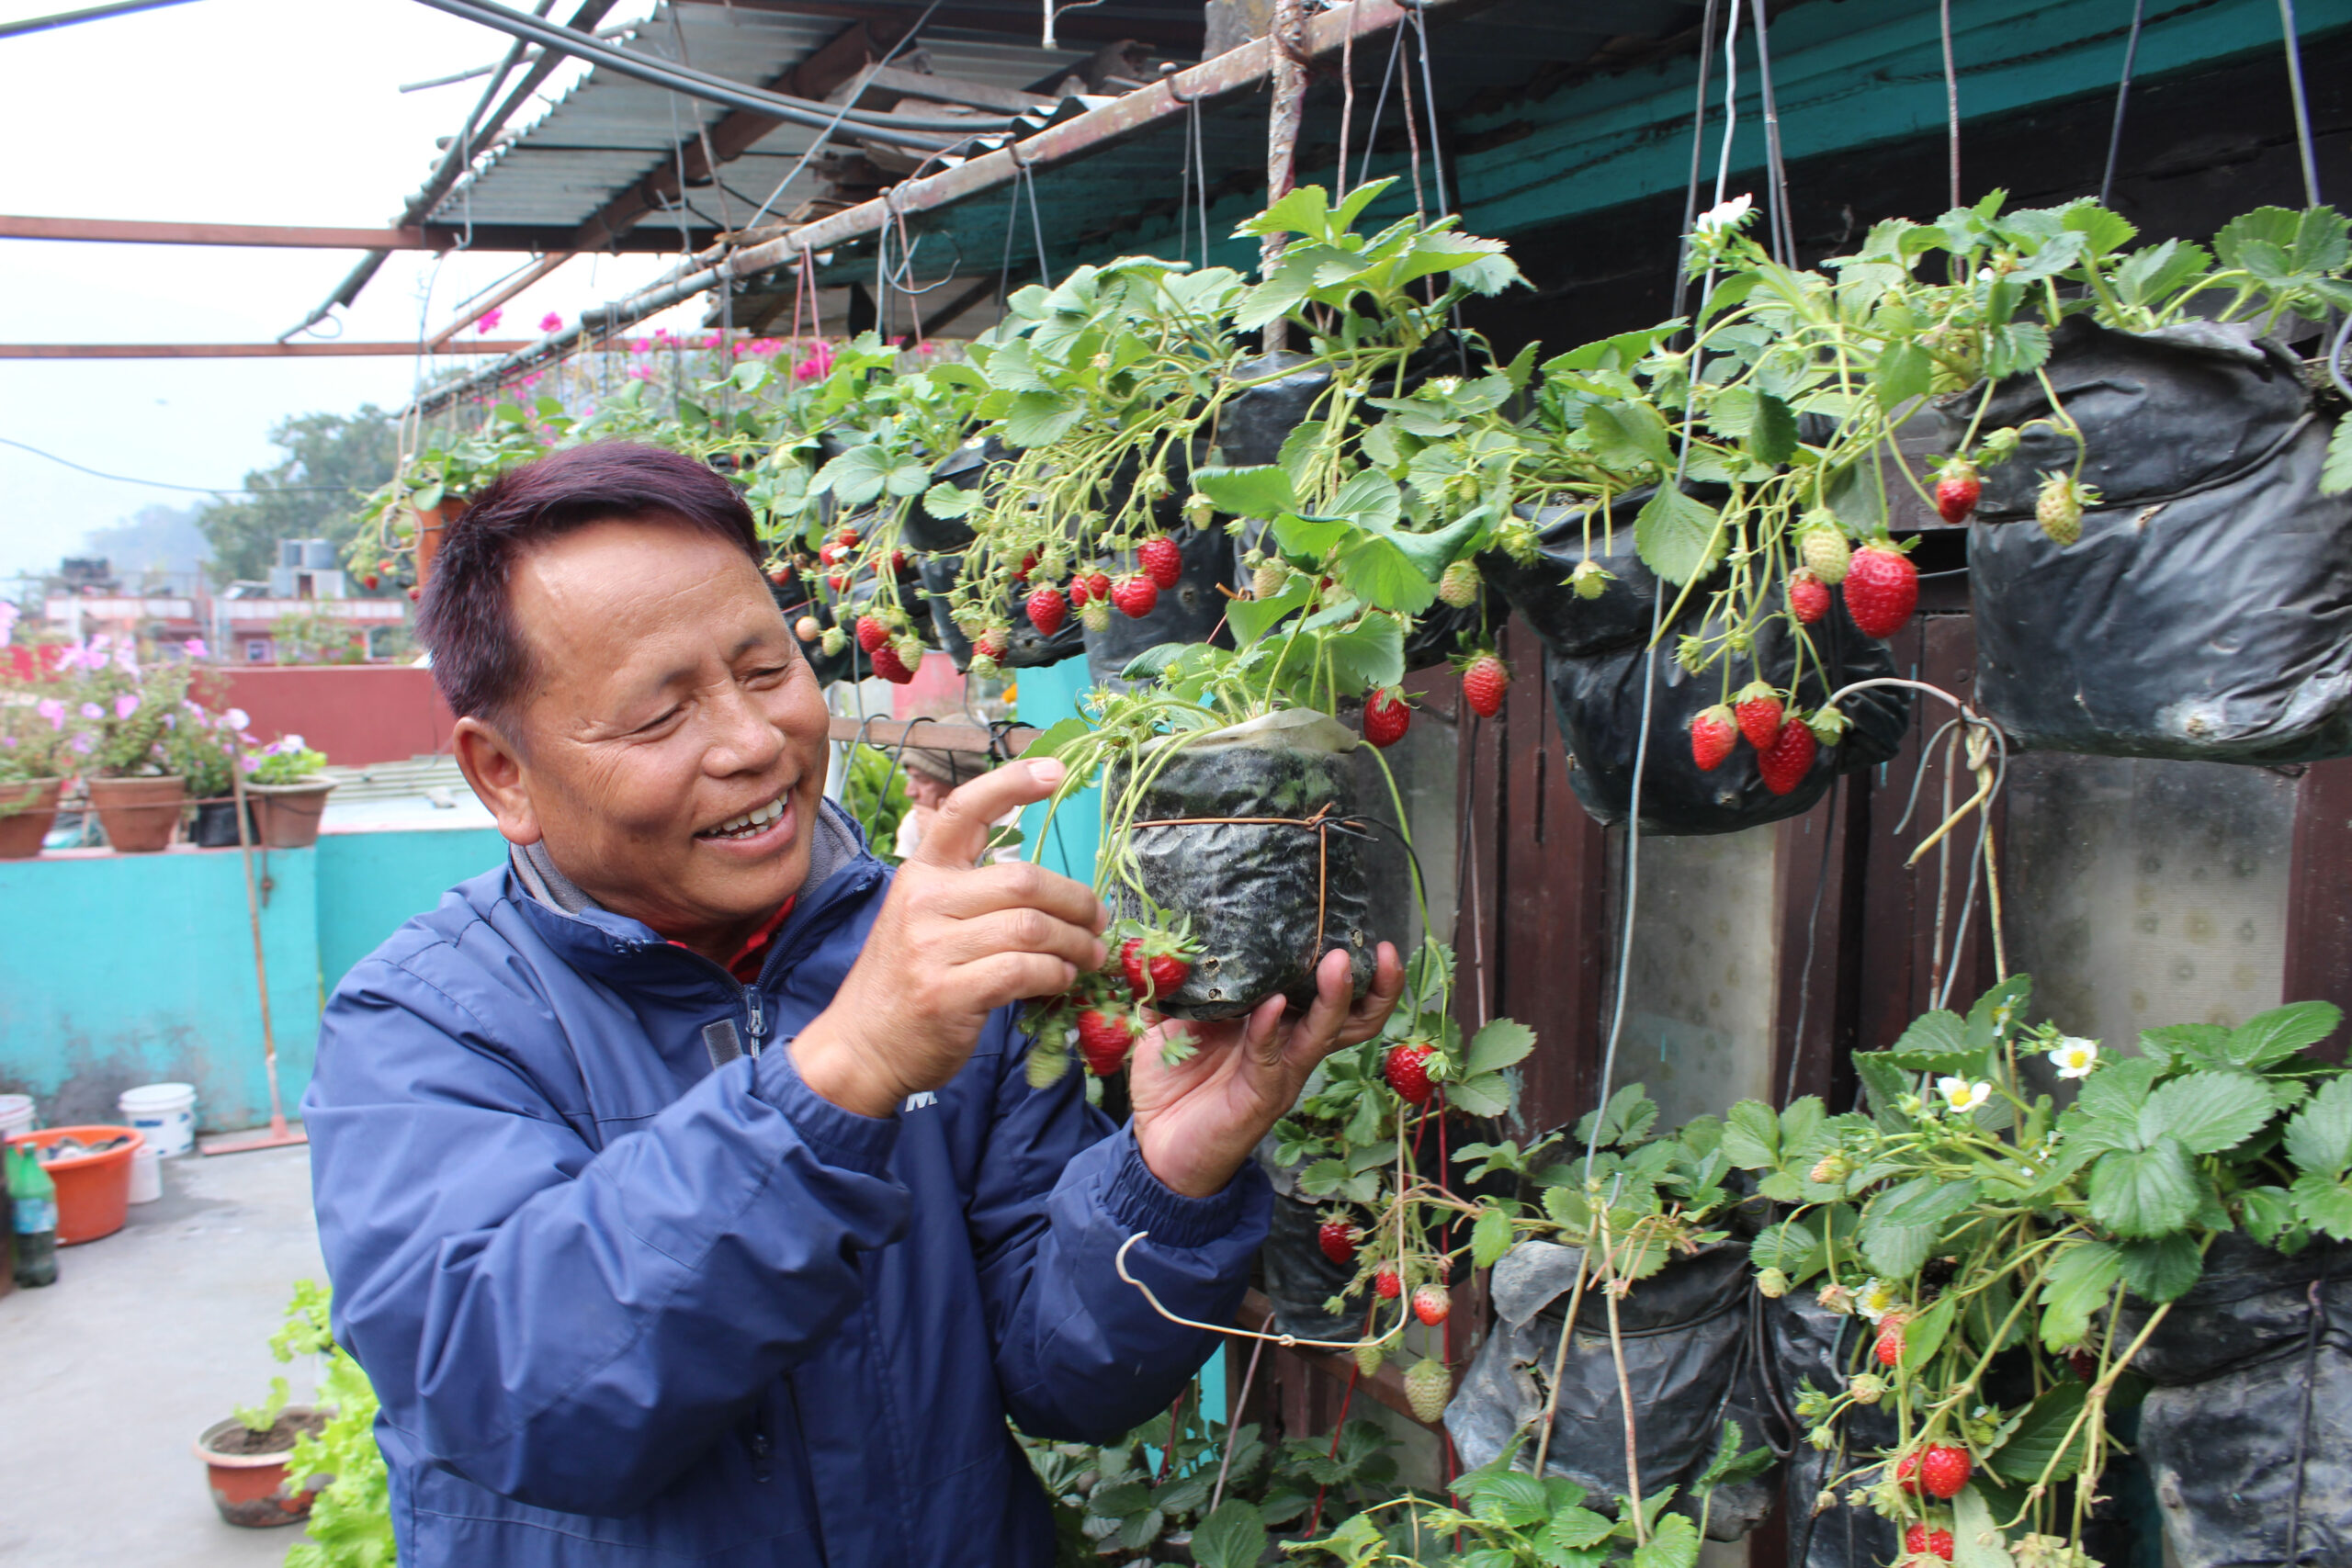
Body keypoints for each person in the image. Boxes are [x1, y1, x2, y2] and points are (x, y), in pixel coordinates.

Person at [302, 443, 1404, 1567]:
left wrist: (1169, 1175)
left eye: (766, 669)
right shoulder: (427, 1025)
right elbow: (520, 1405)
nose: (751, 743)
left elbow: (1062, 1375)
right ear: (502, 774)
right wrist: (840, 1074)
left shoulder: (936, 953)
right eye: (656, 717)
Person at [892, 745, 1017, 863]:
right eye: (911, 778)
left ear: (958, 786)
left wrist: (942, 842)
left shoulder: (1009, 823)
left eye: (922, 780)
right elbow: (900, 880)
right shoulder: (916, 820)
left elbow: (1005, 885)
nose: (910, 792)